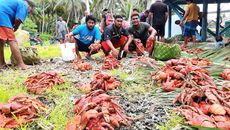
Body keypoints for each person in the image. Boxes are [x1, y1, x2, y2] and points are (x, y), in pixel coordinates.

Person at [0, 0, 35, 70]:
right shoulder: (24, 5)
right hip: (2, 15)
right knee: (12, 41)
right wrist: (15, 28)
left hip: (2, 14)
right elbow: (18, 19)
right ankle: (21, 65)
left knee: (1, 42)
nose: (28, 13)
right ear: (29, 6)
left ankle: (1, 64)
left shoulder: (13, 2)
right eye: (30, 11)